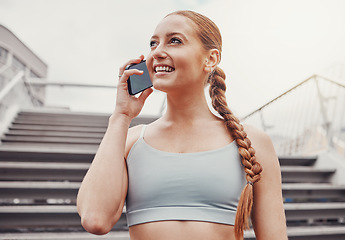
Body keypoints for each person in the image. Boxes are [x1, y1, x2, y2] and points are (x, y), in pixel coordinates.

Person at [77, 10, 287, 240]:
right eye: (153, 43)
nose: (158, 52)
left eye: (174, 41)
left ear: (211, 59)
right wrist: (121, 116)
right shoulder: (131, 141)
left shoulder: (252, 143)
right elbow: (95, 219)